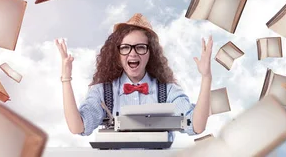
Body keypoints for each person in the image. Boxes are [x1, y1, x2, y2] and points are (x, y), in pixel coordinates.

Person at [55, 12, 213, 140]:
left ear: (150, 53)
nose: (132, 53)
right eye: (125, 48)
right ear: (117, 54)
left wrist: (206, 77)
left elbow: (196, 126)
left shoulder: (168, 92)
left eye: (140, 47)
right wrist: (66, 79)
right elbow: (78, 127)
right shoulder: (102, 92)